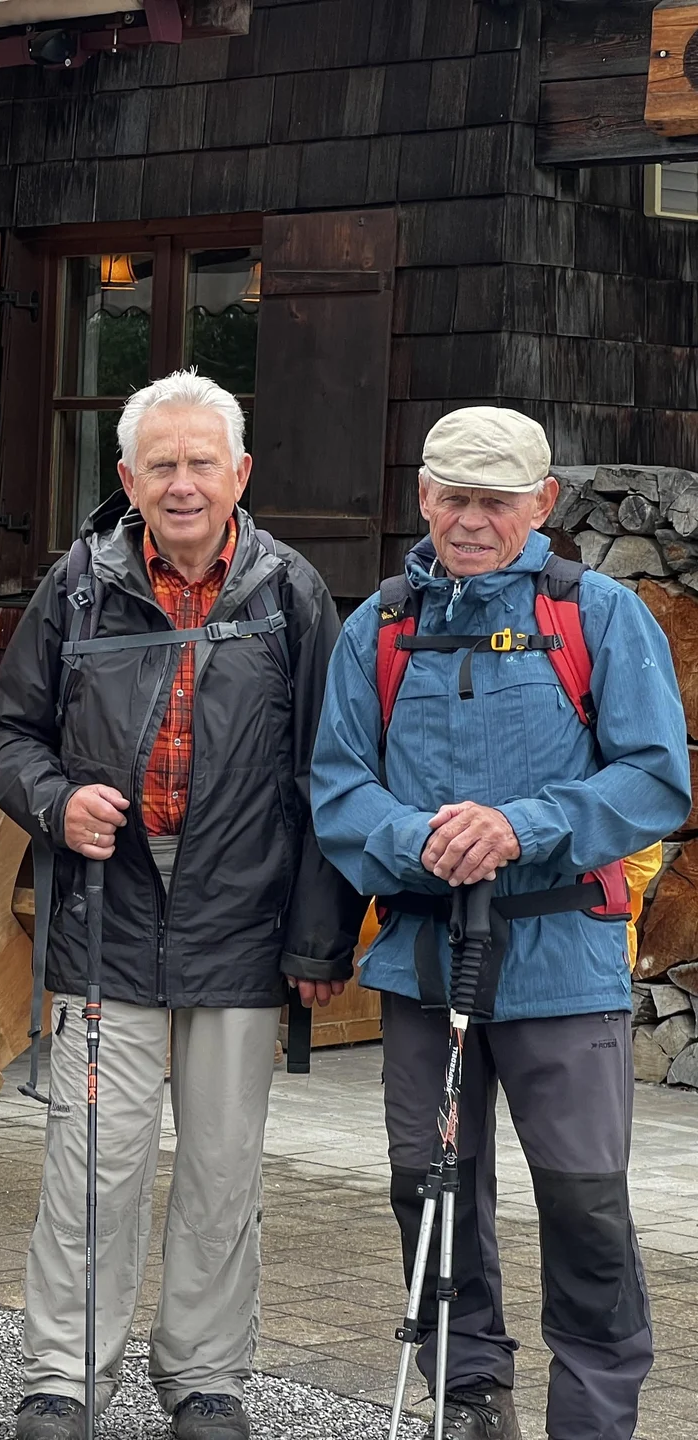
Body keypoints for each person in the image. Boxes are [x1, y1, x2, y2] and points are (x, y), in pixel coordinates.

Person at [0, 369, 362, 1440]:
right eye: (162, 465)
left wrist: (318, 938)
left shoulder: (291, 594)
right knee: (90, 1168)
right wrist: (57, 803)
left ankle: (204, 1378)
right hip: (106, 915)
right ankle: (64, 1376)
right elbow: (6, 737)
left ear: (240, 473)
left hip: (241, 923)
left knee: (221, 1172)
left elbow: (330, 774)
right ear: (128, 477)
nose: (182, 483)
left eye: (201, 463)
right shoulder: (78, 586)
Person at [311, 406, 689, 1440]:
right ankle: (470, 1396)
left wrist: (519, 827)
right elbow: (338, 789)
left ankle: (594, 1420)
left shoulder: (599, 616)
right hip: (424, 961)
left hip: (563, 964)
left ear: (543, 503)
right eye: (453, 499)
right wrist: (417, 839)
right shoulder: (378, 627)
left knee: (585, 1207)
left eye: (495, 501)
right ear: (423, 496)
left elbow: (656, 778)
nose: (471, 521)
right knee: (431, 1194)